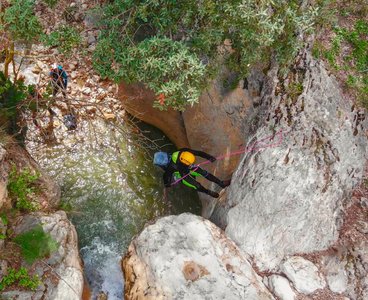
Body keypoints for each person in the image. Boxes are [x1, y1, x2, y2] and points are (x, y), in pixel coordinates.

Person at [154, 148, 231, 198]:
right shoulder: (170, 168)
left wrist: (209, 157)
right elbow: (166, 176)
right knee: (196, 185)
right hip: (182, 175)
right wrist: (167, 184)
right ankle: (208, 192)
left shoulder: (183, 152)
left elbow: (197, 152)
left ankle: (221, 183)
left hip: (188, 167)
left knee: (204, 173)